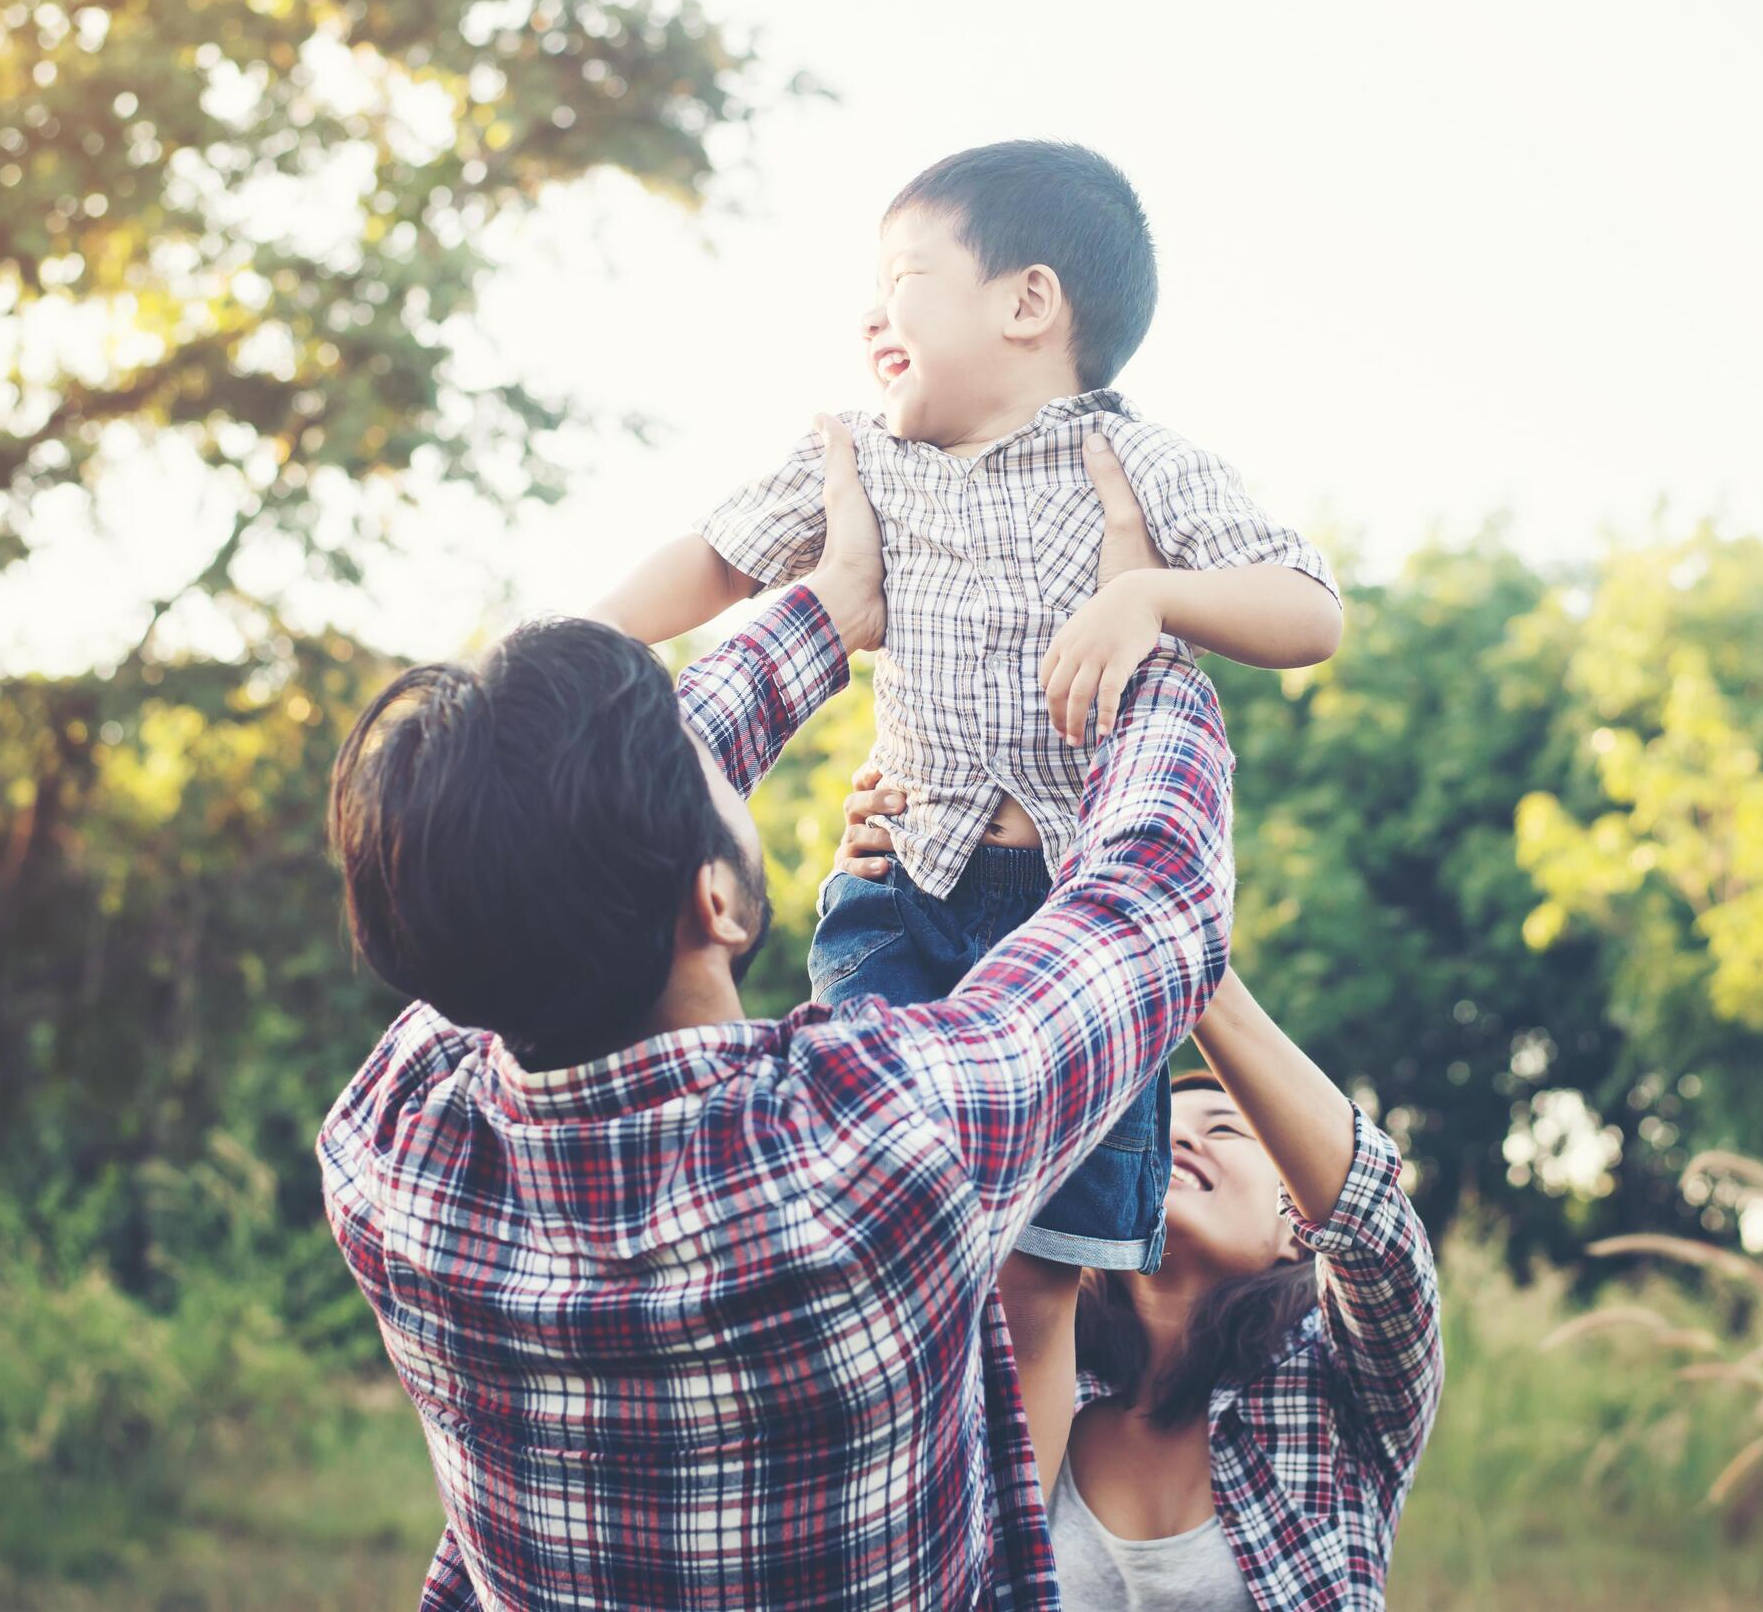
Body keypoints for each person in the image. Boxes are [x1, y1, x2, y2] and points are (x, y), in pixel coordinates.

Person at [317, 420, 1236, 1610]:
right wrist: (1139, 636)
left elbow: (531, 853)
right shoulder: (868, 1144)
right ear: (715, 898)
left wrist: (828, 609)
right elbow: (1150, 900)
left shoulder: (391, 1151)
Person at [593, 139, 1341, 1482]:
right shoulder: (856, 456)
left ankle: (1006, 1562)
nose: (870, 315)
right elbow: (715, 558)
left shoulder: (1137, 461)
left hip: (1078, 931)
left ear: (1026, 304)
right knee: (859, 1212)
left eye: (903, 279)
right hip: (911, 890)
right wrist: (581, 646)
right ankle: (846, 1490)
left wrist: (1149, 597)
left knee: (1036, 1292)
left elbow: (1308, 609)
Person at [824, 834, 1447, 1612]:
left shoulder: (1344, 1392)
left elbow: (1372, 1225)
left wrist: (1161, 924)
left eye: (1224, 1130)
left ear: (1296, 1224)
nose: (1180, 1136)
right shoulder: (1028, 1359)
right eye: (1160, 1137)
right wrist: (898, 885)